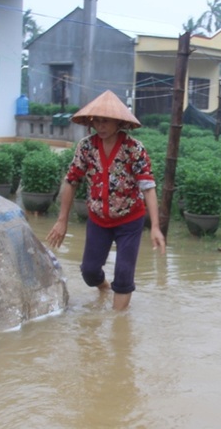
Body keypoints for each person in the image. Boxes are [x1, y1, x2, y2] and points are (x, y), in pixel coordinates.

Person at [46, 90, 166, 310]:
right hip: (98, 219)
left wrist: (155, 227)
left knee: (124, 274)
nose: (101, 126)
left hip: (130, 220)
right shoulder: (86, 147)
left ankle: (118, 330)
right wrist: (62, 220)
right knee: (89, 271)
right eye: (97, 121)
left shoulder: (134, 149)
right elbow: (71, 181)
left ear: (118, 122)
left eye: (106, 121)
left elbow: (148, 187)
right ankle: (104, 288)